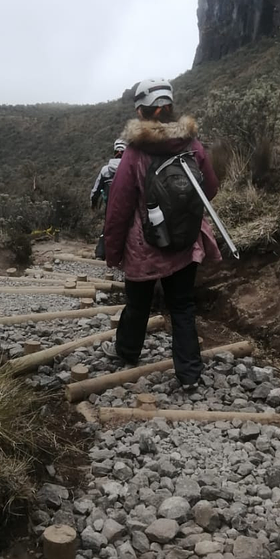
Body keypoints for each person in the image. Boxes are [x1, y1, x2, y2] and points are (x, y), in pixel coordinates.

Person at [102, 78, 221, 391]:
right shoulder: (192, 145)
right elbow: (210, 188)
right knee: (182, 307)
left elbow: (118, 209)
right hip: (184, 242)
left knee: (137, 305)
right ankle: (190, 375)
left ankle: (127, 354)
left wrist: (113, 253)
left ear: (141, 113)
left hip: (144, 249)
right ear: (170, 108)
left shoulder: (134, 153)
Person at [89, 139, 127, 259]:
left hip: (110, 204)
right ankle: (123, 255)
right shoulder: (129, 169)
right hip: (126, 204)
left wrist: (93, 203)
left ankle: (101, 253)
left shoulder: (105, 170)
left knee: (108, 226)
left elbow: (96, 189)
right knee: (127, 228)